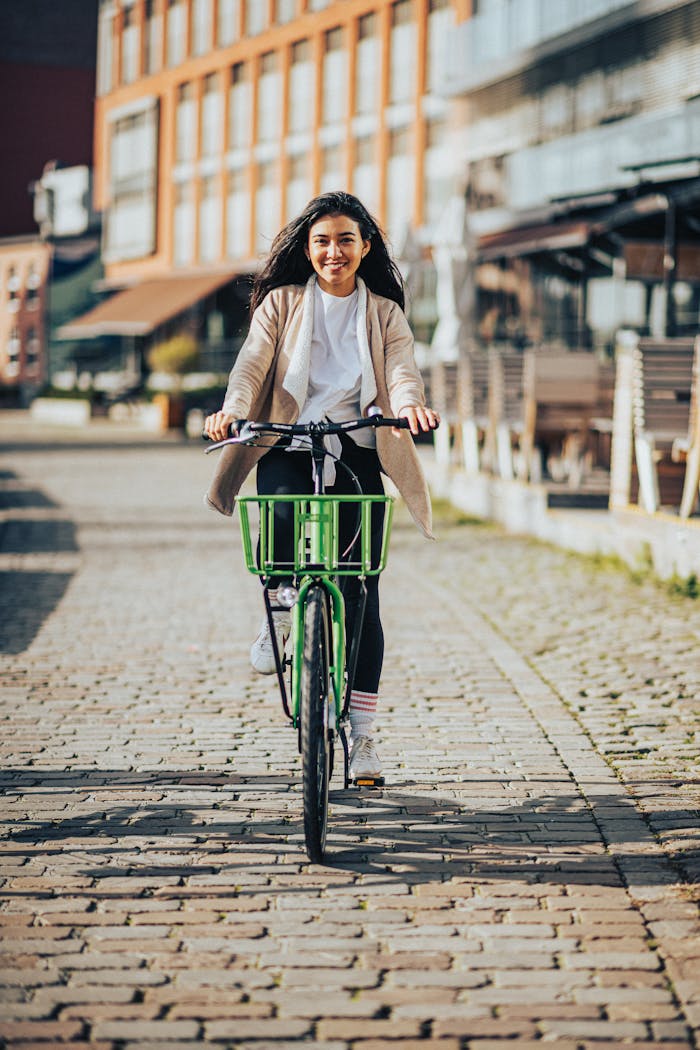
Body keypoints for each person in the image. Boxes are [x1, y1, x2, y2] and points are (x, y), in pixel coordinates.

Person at [204, 191, 439, 782]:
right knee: (278, 512)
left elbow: (403, 370)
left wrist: (410, 407)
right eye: (321, 241)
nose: (333, 252)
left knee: (362, 592)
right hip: (285, 438)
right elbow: (252, 365)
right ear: (307, 250)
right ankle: (279, 609)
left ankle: (362, 739)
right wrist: (232, 411)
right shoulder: (281, 304)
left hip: (358, 447)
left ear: (364, 247)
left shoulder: (384, 311)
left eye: (344, 240)